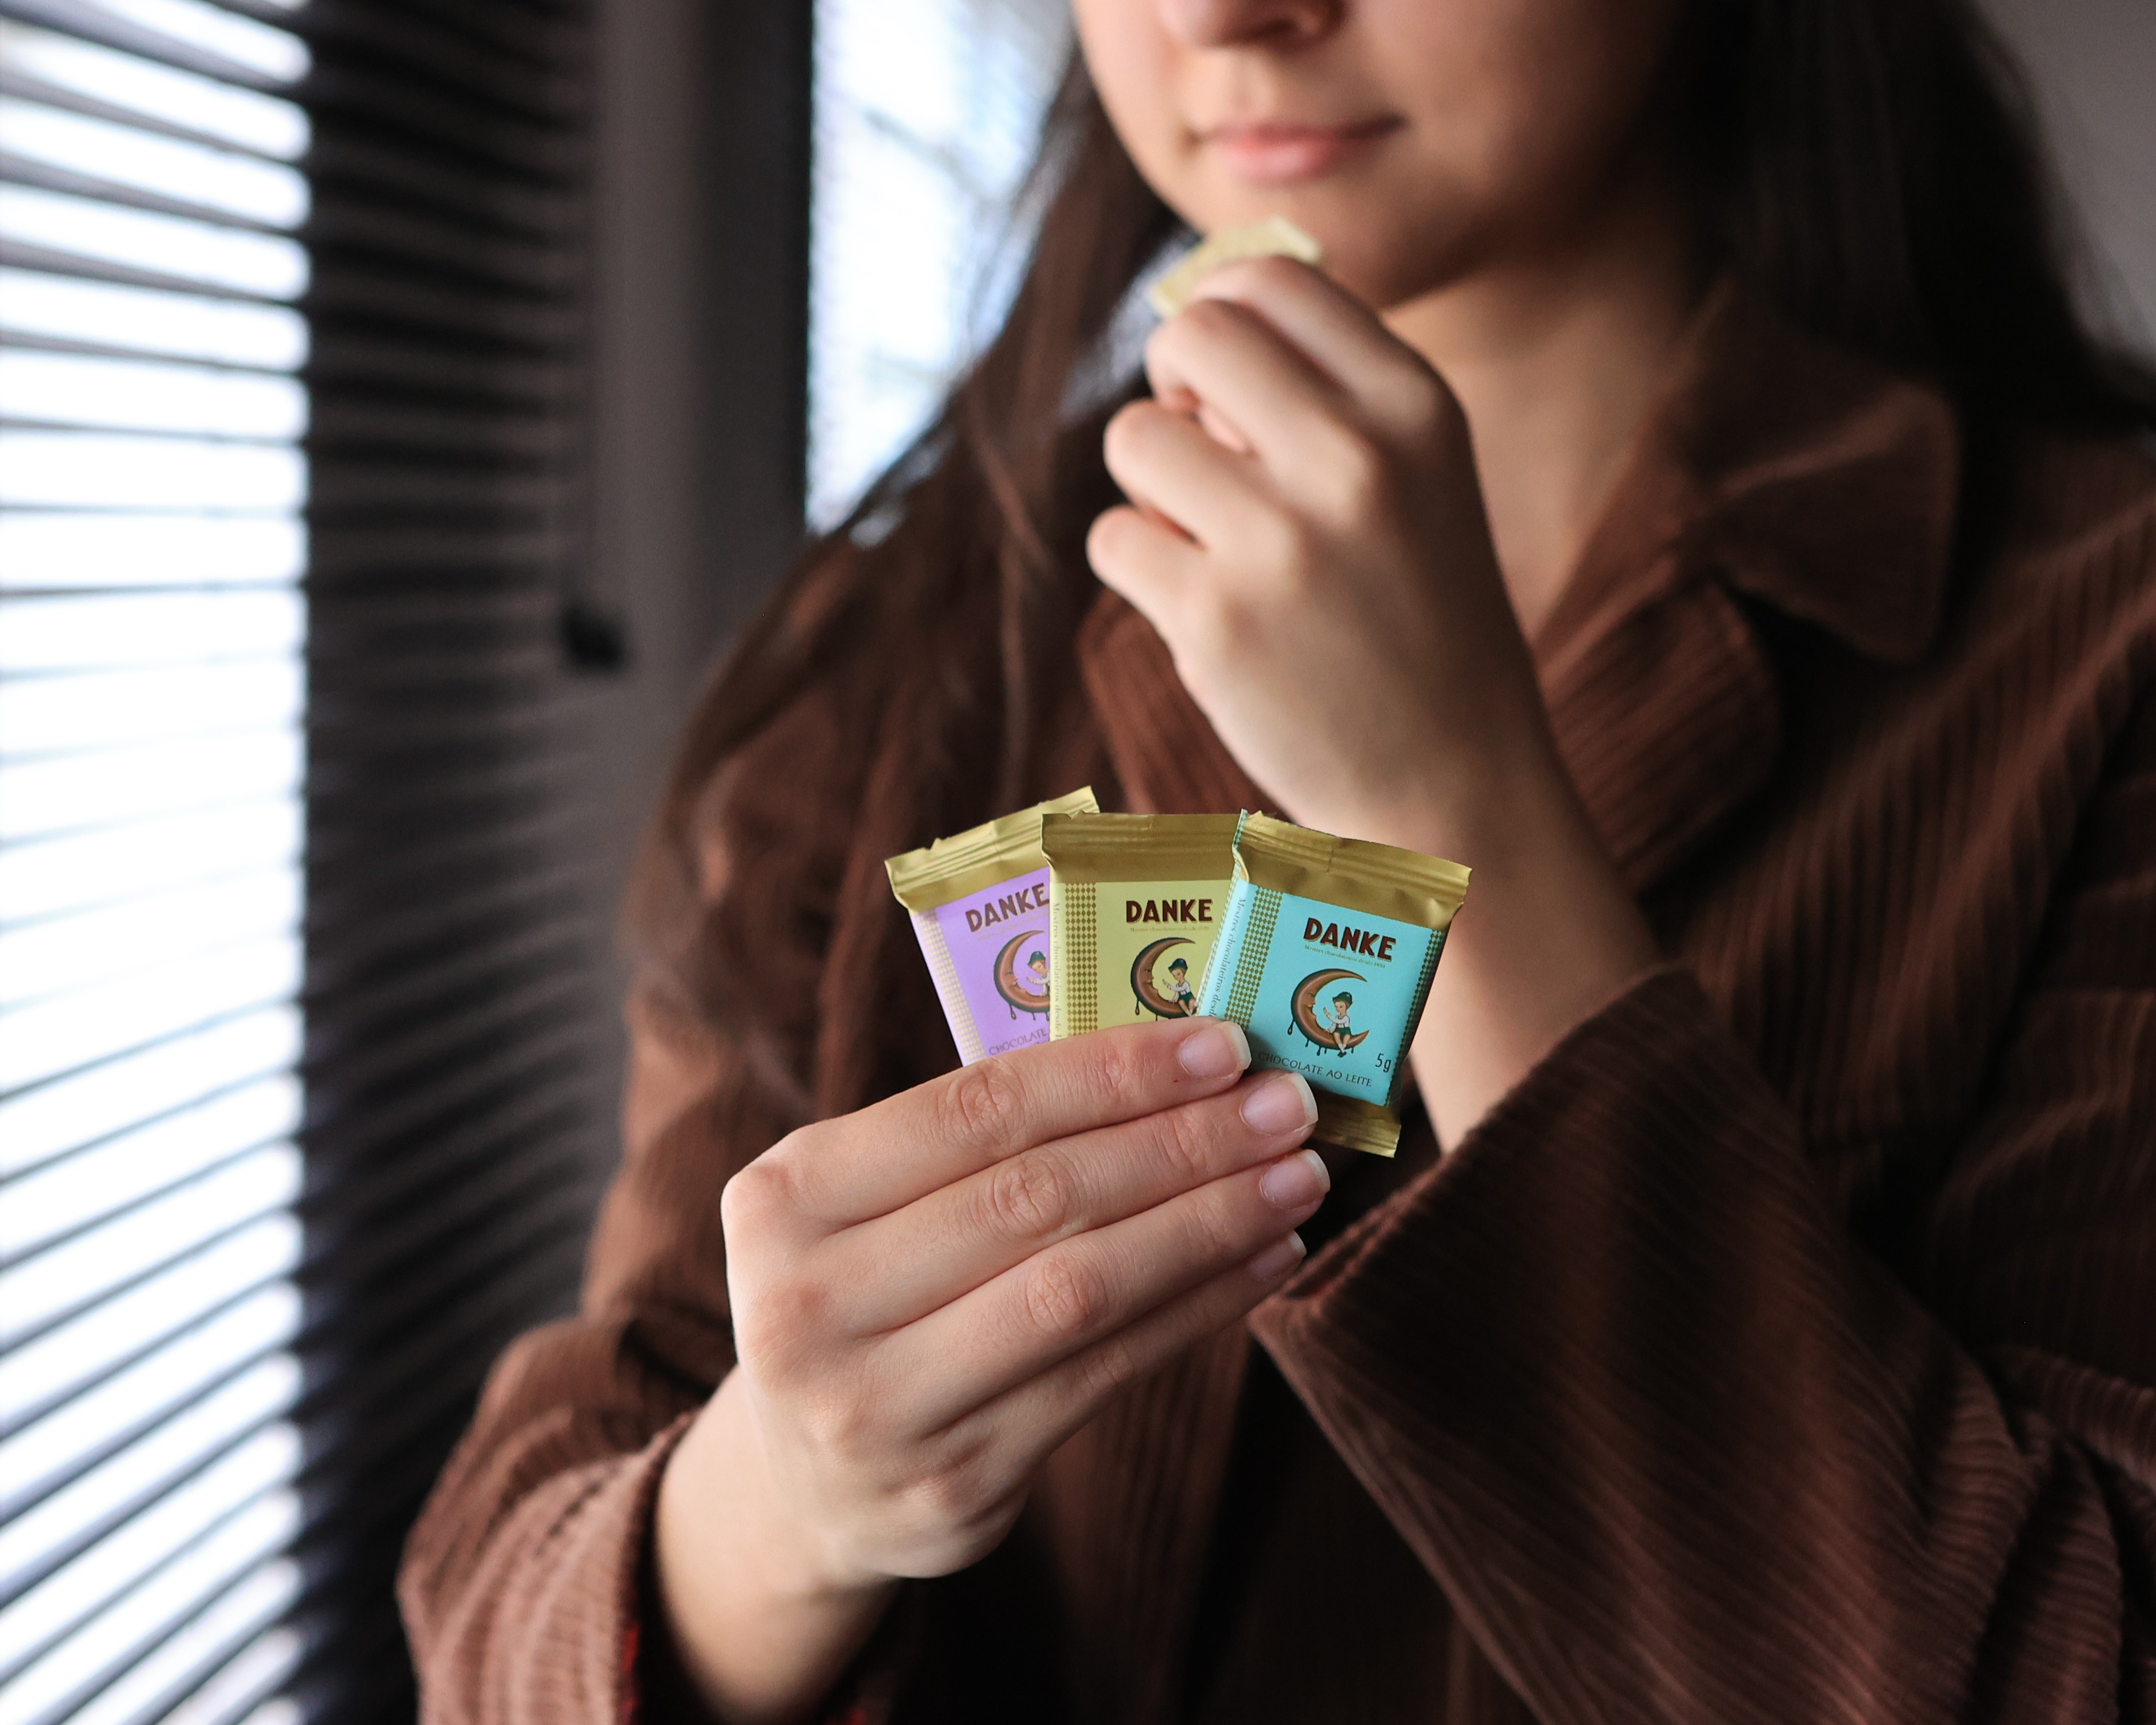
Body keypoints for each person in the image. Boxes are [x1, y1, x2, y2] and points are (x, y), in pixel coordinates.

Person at [399, 0, 2156, 1721]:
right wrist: (785, 1504)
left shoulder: (2103, 652)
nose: (1224, 14)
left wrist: (1455, 808)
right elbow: (502, 1626)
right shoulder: (904, 643)